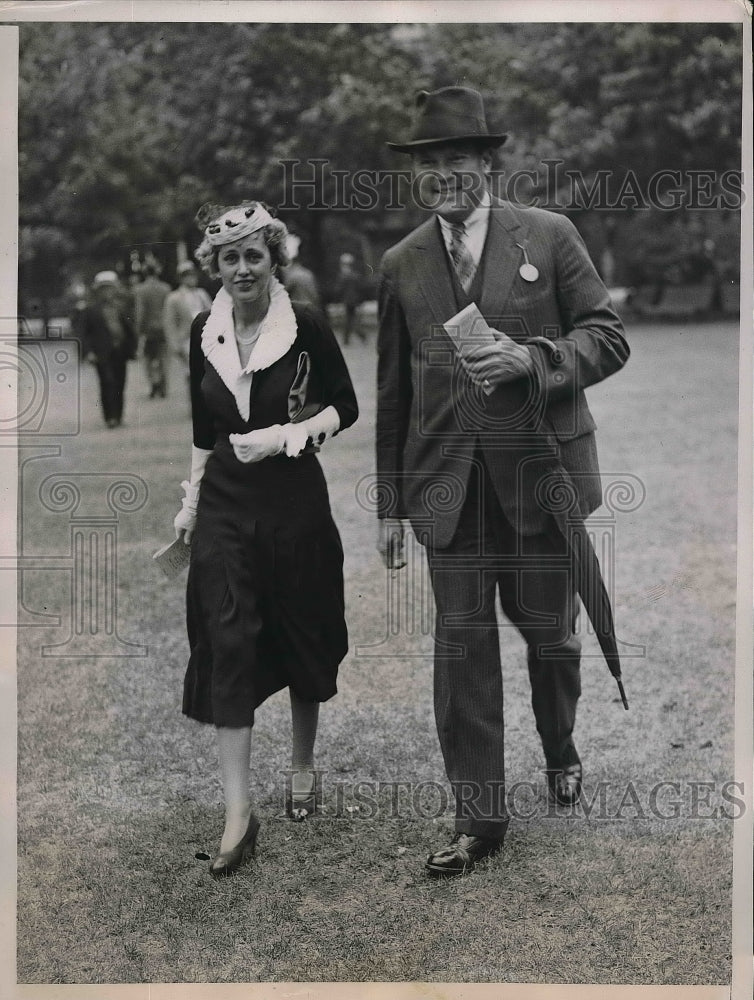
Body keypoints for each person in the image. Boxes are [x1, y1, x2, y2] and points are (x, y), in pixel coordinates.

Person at [376, 87, 630, 877]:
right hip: (446, 495)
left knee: (552, 640)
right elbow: (393, 391)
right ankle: (479, 820)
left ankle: (560, 743)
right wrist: (389, 505)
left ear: (488, 163)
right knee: (461, 651)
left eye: (456, 158)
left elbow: (608, 337)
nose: (442, 174)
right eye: (429, 163)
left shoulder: (549, 236)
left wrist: (536, 358)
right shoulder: (401, 263)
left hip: (539, 480)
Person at [173, 200, 358, 878]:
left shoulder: (304, 324)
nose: (243, 268)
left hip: (293, 503)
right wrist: (190, 506)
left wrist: (286, 436)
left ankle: (303, 767)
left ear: (273, 259)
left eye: (255, 254)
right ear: (215, 267)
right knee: (227, 637)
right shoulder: (203, 330)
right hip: (225, 502)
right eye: (231, 257)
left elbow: (347, 405)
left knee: (299, 627)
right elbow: (201, 431)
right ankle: (237, 814)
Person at [80, 270, 137, 428]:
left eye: (110, 288)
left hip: (120, 351)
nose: (107, 292)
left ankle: (118, 415)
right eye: (103, 289)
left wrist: (133, 348)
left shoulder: (121, 307)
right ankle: (109, 417)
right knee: (107, 382)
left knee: (120, 383)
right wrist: (88, 352)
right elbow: (83, 333)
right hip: (102, 353)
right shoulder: (91, 310)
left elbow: (130, 329)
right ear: (98, 291)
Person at [162, 260, 212, 393]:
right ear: (181, 278)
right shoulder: (174, 298)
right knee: (191, 374)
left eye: (192, 275)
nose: (191, 278)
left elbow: (213, 314)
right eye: (186, 275)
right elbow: (169, 323)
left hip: (205, 339)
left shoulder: (202, 294)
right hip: (186, 341)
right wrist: (174, 344)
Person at [134, 261, 171, 398]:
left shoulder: (140, 290)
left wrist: (138, 331)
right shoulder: (165, 288)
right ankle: (163, 385)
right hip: (164, 328)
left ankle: (153, 384)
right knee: (163, 358)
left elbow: (140, 312)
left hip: (149, 329)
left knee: (148, 359)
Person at [280, 233, 322, 309]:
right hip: (311, 310)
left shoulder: (293, 276)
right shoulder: (308, 274)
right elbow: (316, 296)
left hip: (300, 312)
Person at [333, 252, 365, 345]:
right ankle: (359, 335)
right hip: (355, 301)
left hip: (347, 301)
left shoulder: (343, 275)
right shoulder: (356, 275)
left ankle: (347, 339)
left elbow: (338, 289)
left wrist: (337, 300)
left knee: (348, 320)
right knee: (352, 319)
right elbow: (360, 289)